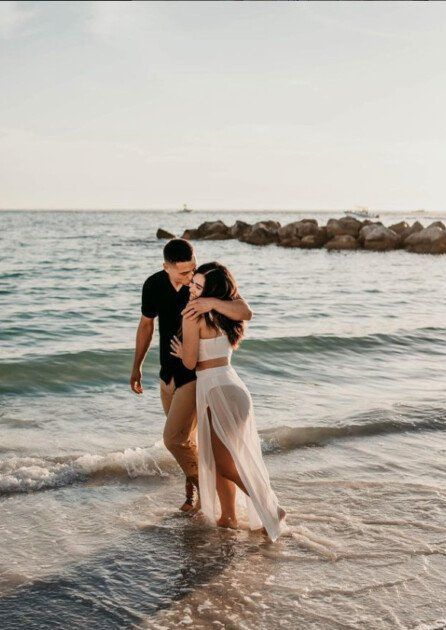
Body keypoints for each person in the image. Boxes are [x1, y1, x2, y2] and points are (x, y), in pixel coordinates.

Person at [130, 240, 252, 512]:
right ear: (166, 268)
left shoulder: (203, 283)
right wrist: (136, 366)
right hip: (167, 374)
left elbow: (243, 311)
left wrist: (210, 301)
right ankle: (200, 497)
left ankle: (204, 488)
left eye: (192, 270)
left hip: (195, 375)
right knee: (186, 440)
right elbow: (146, 326)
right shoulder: (154, 285)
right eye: (182, 273)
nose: (189, 279)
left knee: (173, 438)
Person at [170, 262, 286, 541]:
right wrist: (211, 301)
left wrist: (180, 351)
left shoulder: (192, 313)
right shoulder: (227, 312)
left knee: (222, 463)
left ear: (211, 292)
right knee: (222, 458)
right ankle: (229, 517)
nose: (191, 288)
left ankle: (271, 505)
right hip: (234, 387)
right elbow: (246, 310)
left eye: (198, 286)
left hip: (215, 390)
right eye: (193, 283)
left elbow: (189, 362)